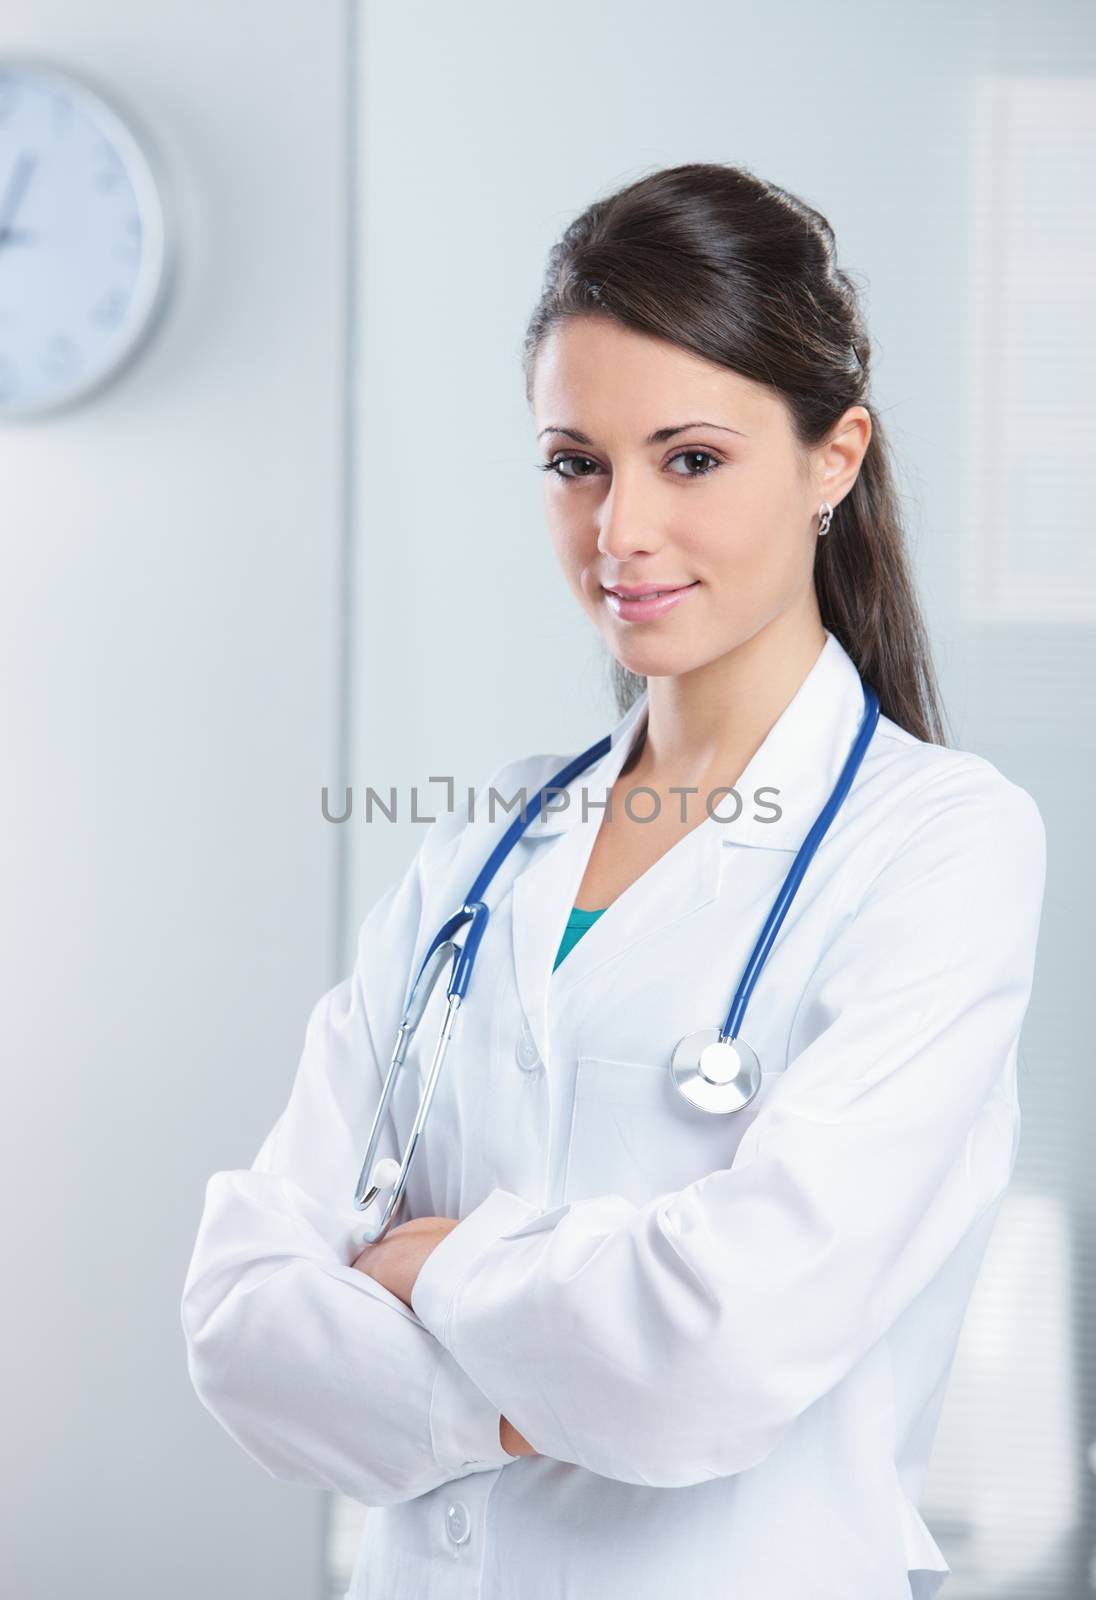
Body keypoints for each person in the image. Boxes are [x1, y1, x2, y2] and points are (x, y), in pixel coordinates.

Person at [180, 162, 1046, 1599]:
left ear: (834, 458)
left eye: (689, 459)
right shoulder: (485, 849)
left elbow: (722, 1348)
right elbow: (238, 1319)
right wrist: (530, 1402)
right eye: (576, 461)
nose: (619, 530)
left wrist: (431, 1273)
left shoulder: (941, 844)